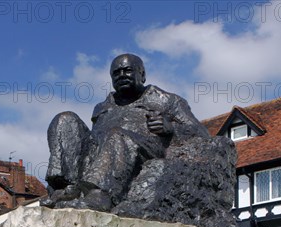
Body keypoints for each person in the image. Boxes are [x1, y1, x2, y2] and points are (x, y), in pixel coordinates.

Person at [43, 53, 210, 211]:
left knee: (117, 134)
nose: (121, 75)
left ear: (142, 75)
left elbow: (201, 134)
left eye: (128, 70)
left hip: (143, 151)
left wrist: (170, 128)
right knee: (65, 119)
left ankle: (100, 195)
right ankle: (67, 187)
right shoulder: (103, 107)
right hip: (105, 154)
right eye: (116, 73)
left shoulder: (167, 100)